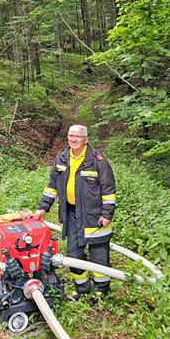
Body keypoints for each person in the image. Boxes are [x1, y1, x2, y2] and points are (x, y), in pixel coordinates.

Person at [35, 124, 116, 299]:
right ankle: (82, 288)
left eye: (77, 137)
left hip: (95, 215)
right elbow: (52, 186)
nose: (73, 139)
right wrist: (43, 208)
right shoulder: (62, 158)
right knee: (73, 254)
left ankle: (101, 291)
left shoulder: (97, 161)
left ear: (86, 139)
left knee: (99, 256)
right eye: (71, 136)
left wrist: (107, 214)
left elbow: (108, 190)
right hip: (71, 215)